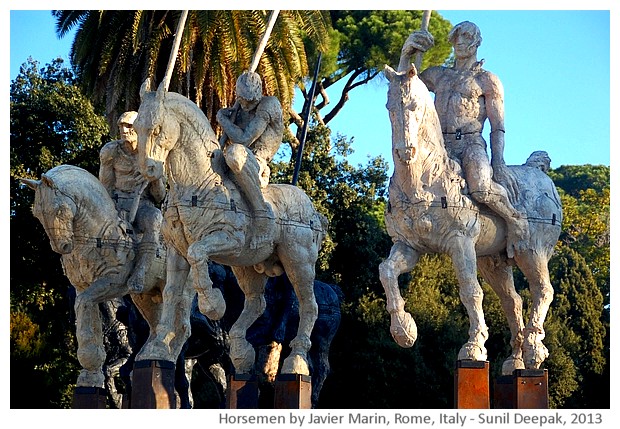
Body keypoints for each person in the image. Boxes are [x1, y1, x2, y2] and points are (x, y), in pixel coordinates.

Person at [399, 21, 529, 258]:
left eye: (466, 36)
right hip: (439, 146)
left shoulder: (487, 80)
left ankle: (514, 219)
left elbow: (498, 126)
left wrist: (498, 162)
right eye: (456, 37)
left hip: (470, 143)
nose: (459, 41)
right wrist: (408, 52)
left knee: (480, 187)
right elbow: (406, 83)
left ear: (477, 42)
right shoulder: (439, 75)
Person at [216, 71, 284, 249]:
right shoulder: (238, 109)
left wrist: (223, 120)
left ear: (258, 94)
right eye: (241, 98)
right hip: (234, 160)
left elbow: (244, 139)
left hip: (255, 160)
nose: (244, 104)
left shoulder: (269, 105)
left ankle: (262, 215)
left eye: (249, 100)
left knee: (235, 153)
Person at [99, 111, 166, 292]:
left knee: (154, 218)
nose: (123, 129)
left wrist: (155, 177)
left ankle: (141, 271)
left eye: (128, 126)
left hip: (142, 204)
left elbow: (160, 197)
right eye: (121, 125)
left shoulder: (152, 154)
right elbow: (104, 187)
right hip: (115, 203)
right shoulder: (110, 152)